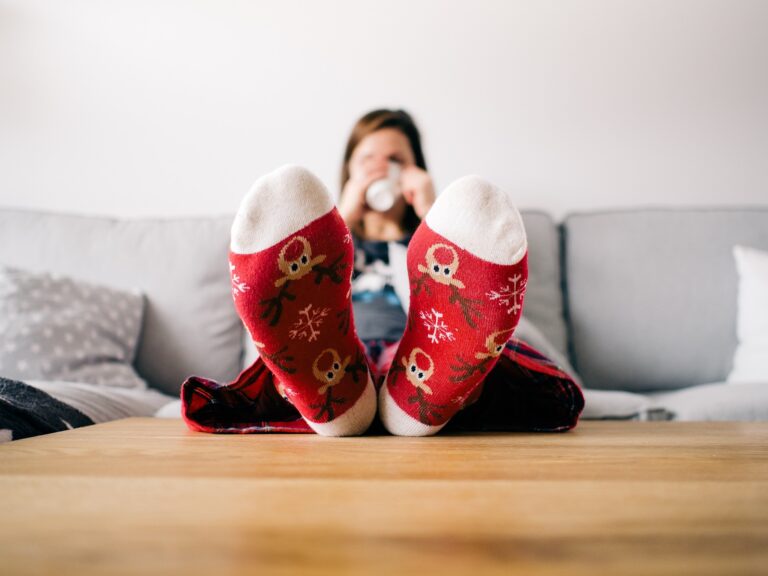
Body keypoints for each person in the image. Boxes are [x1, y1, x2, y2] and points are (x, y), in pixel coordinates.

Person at [180, 109, 584, 437]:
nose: (382, 170)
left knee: (469, 362)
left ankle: (398, 401)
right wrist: (341, 217)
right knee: (297, 364)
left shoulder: (446, 245)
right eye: (368, 161)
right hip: (330, 351)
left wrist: (431, 212)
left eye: (396, 161)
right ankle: (351, 399)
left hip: (423, 353)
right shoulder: (325, 244)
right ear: (348, 174)